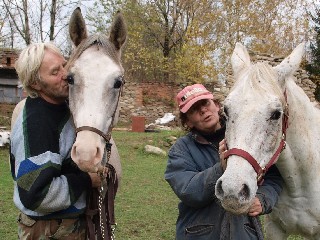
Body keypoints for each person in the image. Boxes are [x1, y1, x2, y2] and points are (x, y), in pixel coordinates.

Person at [164, 84, 283, 240]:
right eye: (194, 110)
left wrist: (263, 199)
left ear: (217, 105)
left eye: (205, 103)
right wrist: (221, 167)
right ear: (188, 122)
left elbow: (273, 176)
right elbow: (188, 190)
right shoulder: (181, 149)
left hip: (244, 233)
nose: (203, 110)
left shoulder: (245, 137)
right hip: (199, 234)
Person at [10, 42, 101, 240]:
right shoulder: (37, 123)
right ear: (35, 83)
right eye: (54, 72)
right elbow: (37, 195)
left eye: (64, 65)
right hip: (49, 230)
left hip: (65, 224)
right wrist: (86, 181)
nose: (66, 74)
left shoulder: (62, 106)